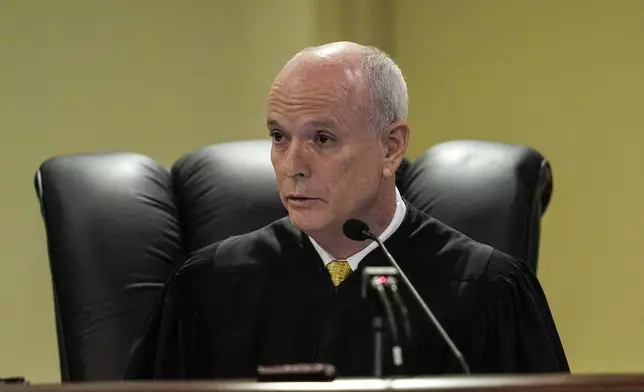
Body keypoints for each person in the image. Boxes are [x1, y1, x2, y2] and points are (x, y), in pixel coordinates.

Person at [124, 41, 569, 379]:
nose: (292, 166)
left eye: (322, 139)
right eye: (279, 136)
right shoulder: (208, 286)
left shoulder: (486, 290)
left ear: (391, 146)